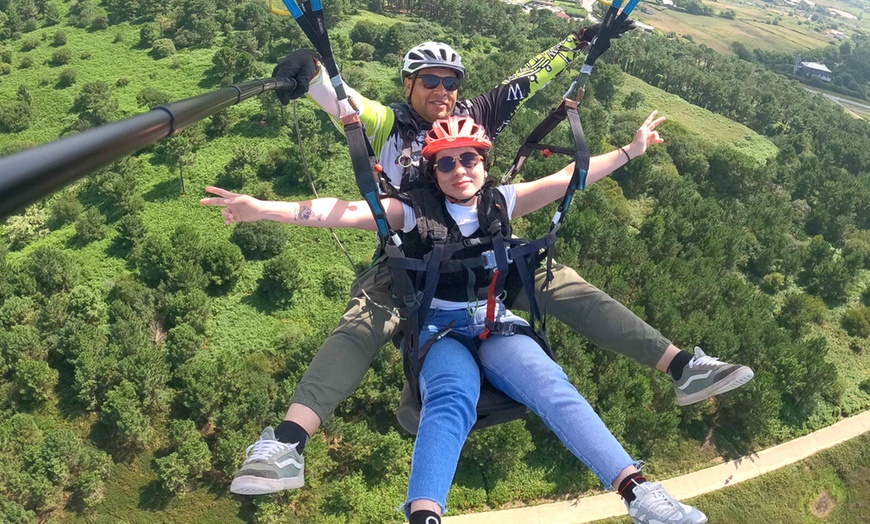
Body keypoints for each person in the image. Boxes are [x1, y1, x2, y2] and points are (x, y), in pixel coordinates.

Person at [224, 32, 753, 495]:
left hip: (486, 251)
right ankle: (287, 445)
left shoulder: (473, 121)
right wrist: (308, 70)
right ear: (408, 86)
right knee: (362, 323)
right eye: (428, 80)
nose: (442, 91)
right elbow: (339, 99)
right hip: (411, 258)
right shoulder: (387, 124)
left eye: (450, 81)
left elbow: (529, 79)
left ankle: (683, 367)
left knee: (563, 284)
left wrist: (580, 43)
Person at [202, 114, 708, 524]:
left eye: (469, 159)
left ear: (484, 164)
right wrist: (262, 210)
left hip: (495, 324)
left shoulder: (502, 201)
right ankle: (424, 517)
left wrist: (632, 149)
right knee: (450, 399)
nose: (460, 169)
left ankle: (640, 494)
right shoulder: (410, 211)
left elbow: (570, 178)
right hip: (438, 331)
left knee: (551, 384)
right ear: (434, 172)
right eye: (446, 163)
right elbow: (341, 211)